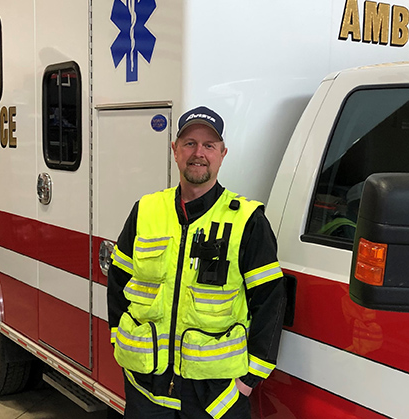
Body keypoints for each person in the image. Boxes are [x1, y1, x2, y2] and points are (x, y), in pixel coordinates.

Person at [107, 106, 287, 418]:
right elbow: (118, 281)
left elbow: (271, 301)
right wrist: (119, 342)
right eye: (189, 143)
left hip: (215, 397)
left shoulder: (247, 220)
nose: (198, 153)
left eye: (209, 145)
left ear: (222, 154)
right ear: (175, 150)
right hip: (146, 389)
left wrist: (248, 380)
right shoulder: (145, 210)